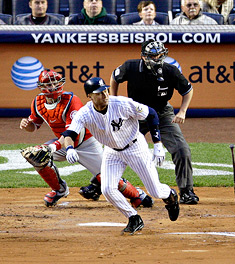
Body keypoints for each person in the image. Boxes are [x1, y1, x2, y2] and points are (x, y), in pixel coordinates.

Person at [20, 70, 154, 209]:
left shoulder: (72, 101)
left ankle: (137, 195)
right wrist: (27, 125)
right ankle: (59, 190)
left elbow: (72, 133)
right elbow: (33, 126)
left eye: (55, 83)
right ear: (41, 87)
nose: (53, 87)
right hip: (62, 144)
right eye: (49, 84)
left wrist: (51, 147)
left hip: (86, 142)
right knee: (35, 156)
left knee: (107, 179)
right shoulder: (38, 102)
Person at [64, 76, 180, 235]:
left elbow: (151, 114)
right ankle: (133, 217)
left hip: (135, 147)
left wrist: (158, 144)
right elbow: (69, 133)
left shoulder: (122, 104)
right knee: (106, 188)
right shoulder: (85, 113)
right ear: (89, 96)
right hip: (112, 152)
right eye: (99, 93)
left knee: (155, 191)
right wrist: (69, 147)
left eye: (105, 90)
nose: (104, 95)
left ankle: (171, 196)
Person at [110, 40, 199, 205]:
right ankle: (98, 184)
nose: (157, 58)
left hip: (162, 112)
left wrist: (183, 111)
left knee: (182, 149)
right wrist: (114, 100)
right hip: (135, 113)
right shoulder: (130, 66)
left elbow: (188, 90)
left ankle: (187, 191)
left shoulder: (170, 70)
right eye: (153, 55)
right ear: (144, 56)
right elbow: (115, 77)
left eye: (160, 54)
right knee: (116, 148)